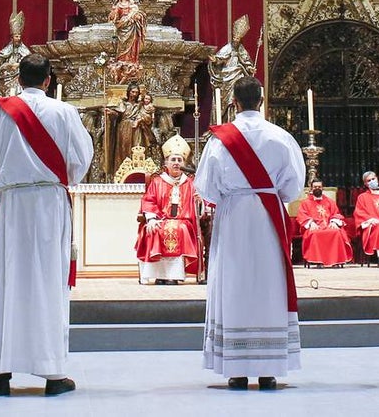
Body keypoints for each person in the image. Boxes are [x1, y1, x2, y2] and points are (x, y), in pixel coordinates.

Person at [0, 53, 93, 397]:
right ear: (49, 81)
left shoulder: (0, 111)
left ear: (18, 80)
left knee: (5, 282)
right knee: (48, 282)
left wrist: (12, 178)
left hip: (12, 204)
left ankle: (0, 372)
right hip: (49, 206)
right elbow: (80, 161)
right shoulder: (64, 112)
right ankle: (52, 373)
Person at [195, 76, 305, 391]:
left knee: (234, 282)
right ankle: (269, 368)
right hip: (268, 215)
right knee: (268, 282)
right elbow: (292, 185)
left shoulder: (219, 140)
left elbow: (207, 187)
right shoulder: (280, 137)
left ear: (234, 101)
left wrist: (232, 196)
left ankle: (237, 368)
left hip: (233, 218)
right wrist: (267, 193)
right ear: (261, 100)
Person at [136, 135, 200, 284]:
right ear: (166, 162)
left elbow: (199, 208)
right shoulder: (157, 181)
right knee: (155, 229)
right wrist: (151, 218)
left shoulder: (191, 183)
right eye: (173, 160)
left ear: (184, 162)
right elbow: (149, 200)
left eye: (180, 160)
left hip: (184, 221)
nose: (176, 163)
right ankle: (159, 275)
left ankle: (174, 275)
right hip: (160, 219)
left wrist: (199, 201)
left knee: (180, 228)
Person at [209, 14, 255, 124]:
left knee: (236, 98)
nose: (235, 40)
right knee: (226, 101)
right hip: (226, 77)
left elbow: (246, 61)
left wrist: (250, 68)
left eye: (238, 38)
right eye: (234, 38)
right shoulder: (227, 48)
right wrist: (215, 60)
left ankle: (235, 121)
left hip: (238, 75)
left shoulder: (241, 50)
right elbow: (220, 58)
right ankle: (226, 122)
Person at [296, 179, 352, 267]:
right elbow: (302, 216)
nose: (317, 188)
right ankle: (318, 261)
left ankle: (336, 260)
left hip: (328, 225)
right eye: (315, 187)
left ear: (322, 188)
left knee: (336, 232)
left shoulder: (329, 201)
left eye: (319, 187)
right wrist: (310, 223)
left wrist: (334, 222)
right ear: (311, 188)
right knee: (315, 234)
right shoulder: (305, 203)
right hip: (315, 227)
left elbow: (336, 213)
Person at [105, 82, 155, 177]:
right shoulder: (123, 103)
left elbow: (147, 116)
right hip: (124, 128)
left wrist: (140, 119)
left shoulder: (140, 105)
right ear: (128, 92)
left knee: (137, 148)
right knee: (123, 148)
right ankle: (121, 173)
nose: (134, 94)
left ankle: (138, 173)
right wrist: (111, 112)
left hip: (136, 129)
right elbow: (117, 114)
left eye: (136, 92)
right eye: (132, 92)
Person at [0, 11, 31, 98]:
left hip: (18, 76)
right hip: (6, 75)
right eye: (16, 36)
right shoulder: (8, 48)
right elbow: (0, 58)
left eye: (19, 36)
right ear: (12, 37)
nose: (18, 38)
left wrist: (18, 65)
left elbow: (29, 61)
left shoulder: (24, 49)